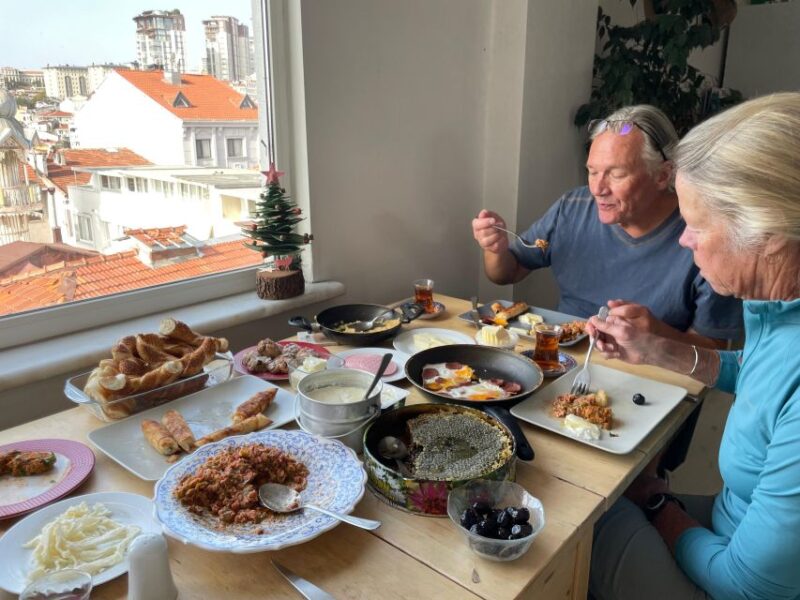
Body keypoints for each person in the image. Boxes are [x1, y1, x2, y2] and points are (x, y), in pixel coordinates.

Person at [587, 92, 800, 600]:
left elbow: (748, 584)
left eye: (697, 225)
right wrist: (657, 349)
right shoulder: (775, 300)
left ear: (768, 232)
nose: (684, 240)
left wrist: (661, 508)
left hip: (744, 585)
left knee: (578, 527)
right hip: (734, 523)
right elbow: (762, 372)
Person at [471, 104, 742, 349]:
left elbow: (713, 350)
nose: (598, 189)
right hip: (562, 360)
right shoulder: (573, 207)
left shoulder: (704, 235)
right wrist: (495, 247)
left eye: (616, 174)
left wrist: (654, 333)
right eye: (592, 171)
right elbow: (507, 272)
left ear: (662, 175)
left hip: (652, 377)